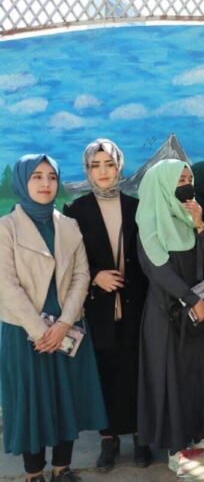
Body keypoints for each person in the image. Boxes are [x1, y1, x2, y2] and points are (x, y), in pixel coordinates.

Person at [0, 154, 107, 482]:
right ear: (23, 182)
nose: (45, 184)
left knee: (65, 398)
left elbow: (81, 275)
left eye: (51, 177)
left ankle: (63, 469)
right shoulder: (6, 228)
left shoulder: (68, 225)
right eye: (37, 176)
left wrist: (63, 324)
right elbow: (6, 285)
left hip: (68, 327)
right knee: (31, 401)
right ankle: (34, 473)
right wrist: (40, 330)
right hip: (25, 332)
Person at [63, 140, 152, 470]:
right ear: (87, 170)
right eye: (95, 165)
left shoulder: (136, 206)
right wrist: (95, 277)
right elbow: (69, 261)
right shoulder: (76, 210)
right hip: (98, 307)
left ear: (119, 167)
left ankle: (141, 438)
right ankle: (109, 440)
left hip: (136, 303)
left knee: (136, 371)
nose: (103, 171)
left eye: (109, 164)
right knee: (105, 374)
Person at [135, 159, 204, 469]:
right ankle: (177, 447)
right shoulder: (149, 221)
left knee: (199, 374)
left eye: (188, 178)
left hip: (198, 313)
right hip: (167, 312)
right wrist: (191, 299)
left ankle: (199, 435)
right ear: (162, 184)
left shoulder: (187, 216)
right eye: (179, 179)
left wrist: (199, 225)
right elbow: (158, 271)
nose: (186, 184)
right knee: (172, 377)